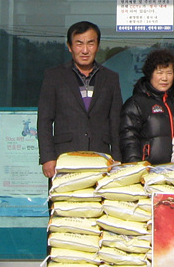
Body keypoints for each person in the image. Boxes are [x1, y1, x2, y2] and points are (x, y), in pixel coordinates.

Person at [37, 20, 123, 176]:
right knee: (64, 199)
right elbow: (44, 120)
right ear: (70, 47)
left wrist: (117, 157)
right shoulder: (54, 76)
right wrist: (47, 158)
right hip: (64, 157)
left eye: (90, 43)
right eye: (79, 44)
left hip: (101, 157)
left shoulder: (110, 78)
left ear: (97, 46)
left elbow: (115, 120)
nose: (85, 50)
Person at [119, 47, 174, 164]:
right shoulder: (136, 103)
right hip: (148, 171)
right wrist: (135, 168)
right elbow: (129, 140)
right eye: (159, 73)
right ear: (150, 74)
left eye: (169, 73)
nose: (164, 78)